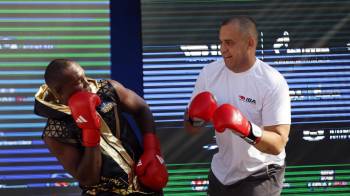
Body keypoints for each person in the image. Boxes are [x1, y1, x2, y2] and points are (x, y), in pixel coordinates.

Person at [184, 16, 291, 196]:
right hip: (221, 173)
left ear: (250, 43)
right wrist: (195, 119)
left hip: (260, 173)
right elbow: (190, 128)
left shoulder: (272, 81)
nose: (222, 49)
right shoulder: (209, 74)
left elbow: (278, 143)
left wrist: (244, 128)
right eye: (221, 42)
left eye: (229, 43)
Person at [34, 59, 168, 195]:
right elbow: (88, 179)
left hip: (146, 182)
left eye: (83, 76)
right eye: (78, 82)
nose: (86, 83)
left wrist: (152, 148)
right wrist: (90, 130)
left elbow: (141, 108)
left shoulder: (107, 89)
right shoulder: (55, 132)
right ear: (59, 92)